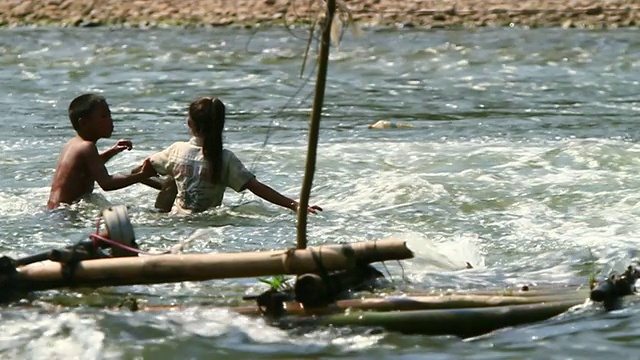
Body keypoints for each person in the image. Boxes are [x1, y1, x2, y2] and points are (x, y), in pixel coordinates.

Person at [138, 96, 322, 214]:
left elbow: (139, 172)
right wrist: (295, 205)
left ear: (189, 123)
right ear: (220, 126)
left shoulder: (176, 150)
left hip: (175, 222)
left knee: (170, 181)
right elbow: (257, 187)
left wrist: (177, 184)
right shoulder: (225, 159)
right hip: (209, 227)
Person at [47, 94, 157, 209]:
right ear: (84, 123)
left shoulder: (74, 143)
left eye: (110, 115)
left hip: (55, 210)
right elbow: (107, 183)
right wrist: (142, 175)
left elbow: (89, 166)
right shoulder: (87, 147)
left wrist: (113, 151)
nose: (110, 120)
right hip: (65, 213)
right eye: (104, 116)